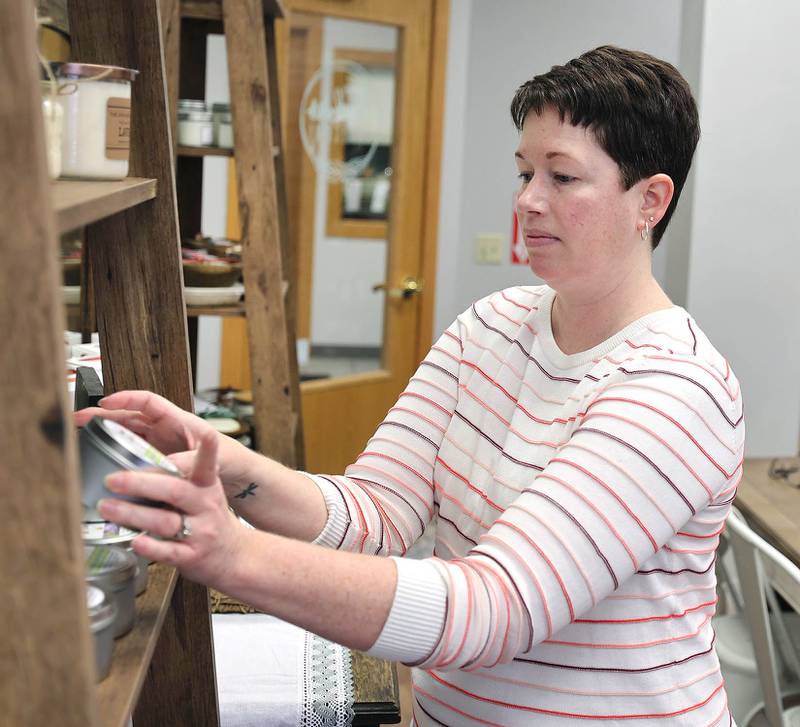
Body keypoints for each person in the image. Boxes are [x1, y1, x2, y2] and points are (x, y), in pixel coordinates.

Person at [75, 45, 743, 725]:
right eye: (523, 172)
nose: (528, 201)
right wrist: (223, 464)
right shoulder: (493, 326)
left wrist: (238, 555)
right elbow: (376, 512)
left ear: (649, 201)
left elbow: (495, 609)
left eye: (563, 178)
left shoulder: (674, 388)